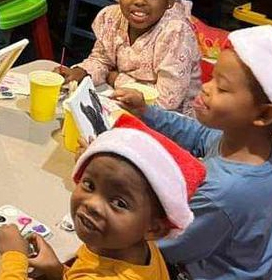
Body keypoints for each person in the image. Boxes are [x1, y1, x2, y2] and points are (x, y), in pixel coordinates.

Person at [113, 25, 272, 279]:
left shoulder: (223, 193)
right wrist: (146, 112)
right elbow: (199, 135)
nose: (206, 87)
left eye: (222, 87)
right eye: (212, 77)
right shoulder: (243, 143)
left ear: (263, 114)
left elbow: (159, 244)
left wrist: (108, 177)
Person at [0, 113, 206, 279]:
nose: (93, 204)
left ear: (154, 228)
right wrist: (59, 271)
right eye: (89, 185)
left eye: (119, 203)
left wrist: (13, 257)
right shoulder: (136, 244)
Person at [58, 0, 201, 115]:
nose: (139, 0)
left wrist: (116, 79)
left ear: (170, 0)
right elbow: (102, 60)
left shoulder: (175, 34)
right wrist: (82, 72)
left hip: (168, 120)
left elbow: (167, 100)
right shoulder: (112, 19)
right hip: (125, 103)